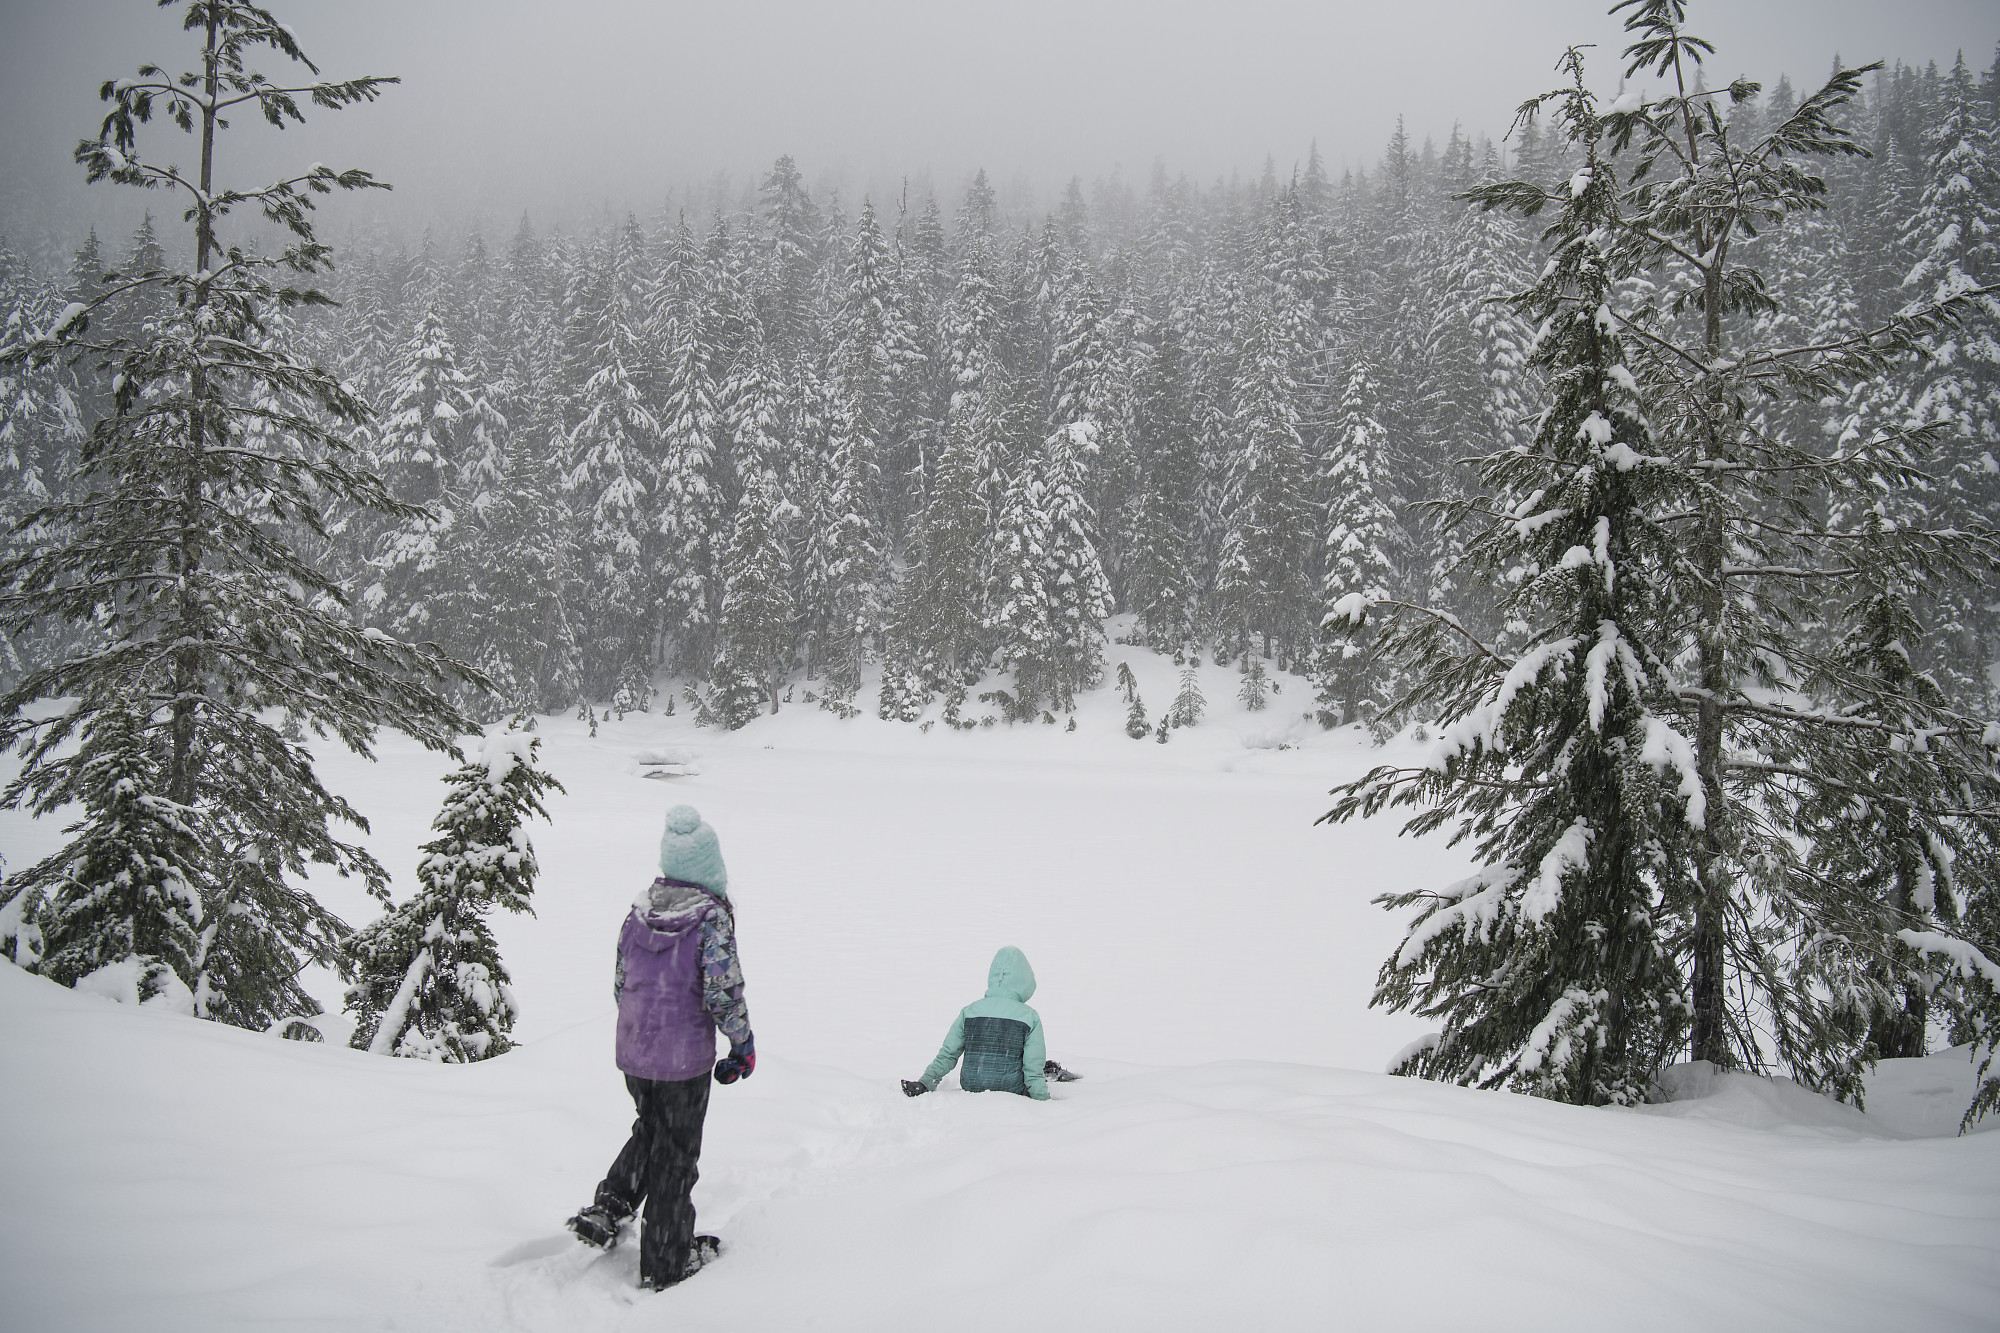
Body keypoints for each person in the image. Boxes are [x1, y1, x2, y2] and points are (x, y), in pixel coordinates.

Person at [565, 804, 754, 1291]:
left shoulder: (639, 912)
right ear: (710, 868)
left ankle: (609, 1208)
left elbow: (620, 982)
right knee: (675, 1154)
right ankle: (667, 1261)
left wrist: (643, 1031)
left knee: (652, 1128)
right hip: (683, 1060)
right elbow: (723, 992)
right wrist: (742, 1043)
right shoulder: (710, 918)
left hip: (634, 1051)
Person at [902, 945, 1076, 1099]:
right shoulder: (1029, 1016)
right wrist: (1041, 1099)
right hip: (1011, 1089)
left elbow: (948, 1054)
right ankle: (1053, 1073)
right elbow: (1032, 1068)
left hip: (971, 1086)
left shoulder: (969, 1011)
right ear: (1025, 980)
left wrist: (925, 1082)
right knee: (1039, 1067)